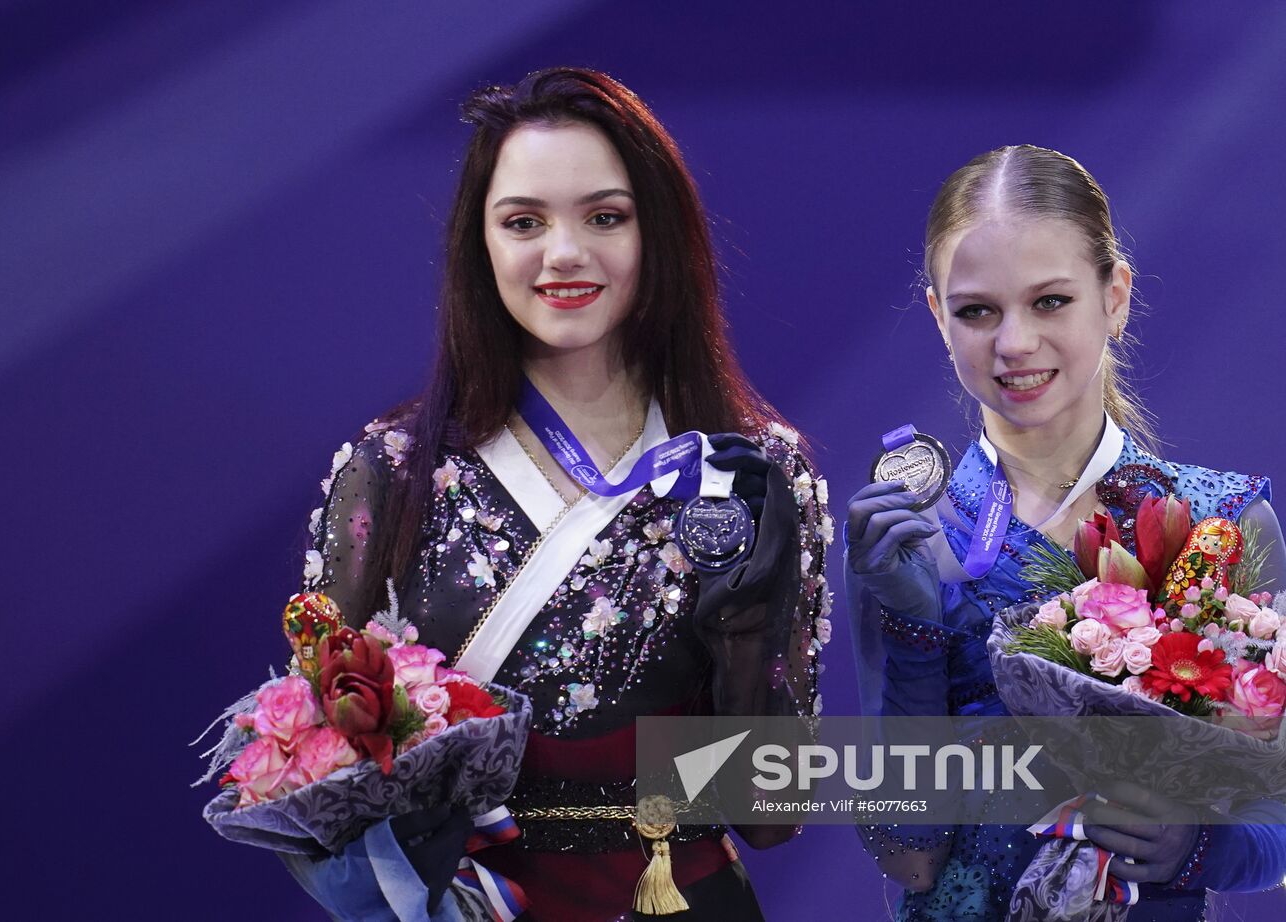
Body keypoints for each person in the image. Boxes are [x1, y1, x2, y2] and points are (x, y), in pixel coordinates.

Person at [284, 67, 831, 922]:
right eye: (524, 222)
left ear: (660, 237)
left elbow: (771, 817)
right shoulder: (389, 472)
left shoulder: (753, 471)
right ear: (481, 244)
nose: (564, 254)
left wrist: (745, 633)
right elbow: (311, 770)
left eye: (604, 217)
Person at [846, 144, 1286, 920]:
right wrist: (911, 625)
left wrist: (1197, 849)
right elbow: (906, 855)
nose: (1013, 343)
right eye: (976, 310)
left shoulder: (1225, 526)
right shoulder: (907, 536)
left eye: (1050, 301)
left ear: (1114, 295)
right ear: (936, 318)